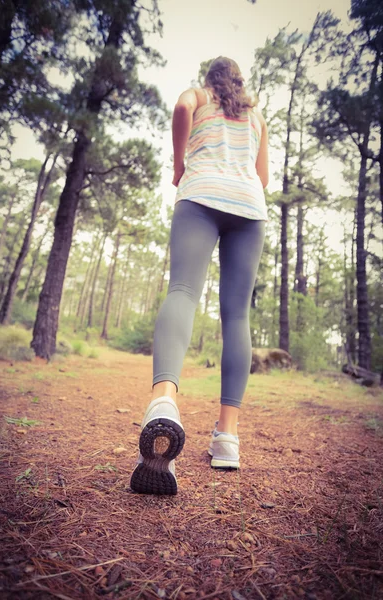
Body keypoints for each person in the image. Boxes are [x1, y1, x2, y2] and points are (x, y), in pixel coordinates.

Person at [130, 56, 268, 495]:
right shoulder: (255, 116)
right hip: (248, 206)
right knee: (237, 317)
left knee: (184, 291)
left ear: (209, 78)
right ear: (239, 82)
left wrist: (179, 165)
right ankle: (227, 437)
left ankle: (163, 400)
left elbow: (180, 109)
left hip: (202, 192)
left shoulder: (200, 95)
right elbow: (263, 176)